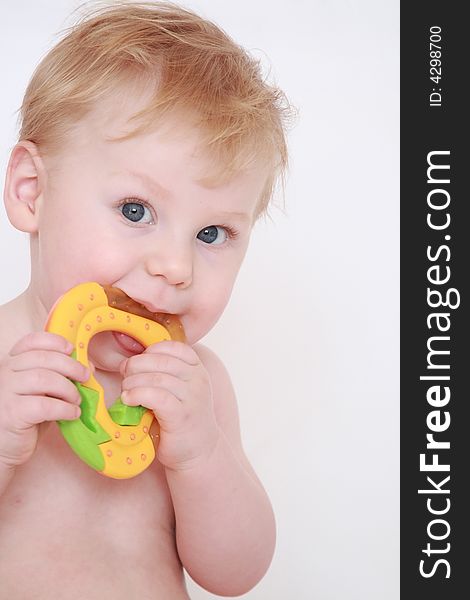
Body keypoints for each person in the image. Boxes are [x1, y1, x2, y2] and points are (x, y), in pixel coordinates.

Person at [0, 2, 290, 597]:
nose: (175, 268)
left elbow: (234, 574)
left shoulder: (197, 387)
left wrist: (201, 454)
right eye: (136, 211)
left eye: (212, 234)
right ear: (32, 192)